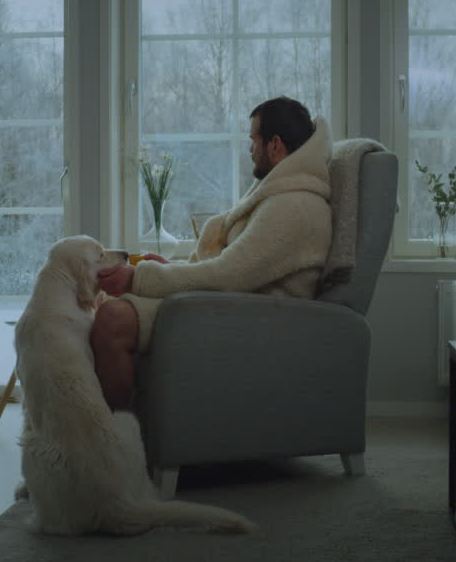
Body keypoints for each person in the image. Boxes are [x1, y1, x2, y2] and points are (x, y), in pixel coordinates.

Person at [90, 96, 334, 409]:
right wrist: (170, 268)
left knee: (112, 318)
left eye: (253, 141)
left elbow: (228, 274)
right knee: (107, 303)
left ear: (275, 145)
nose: (250, 151)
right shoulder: (282, 195)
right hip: (230, 305)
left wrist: (142, 278)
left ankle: (114, 439)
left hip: (248, 321)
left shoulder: (294, 207)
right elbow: (236, 266)